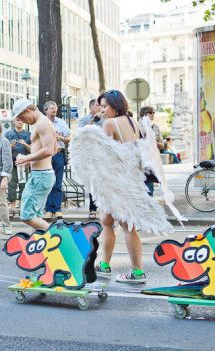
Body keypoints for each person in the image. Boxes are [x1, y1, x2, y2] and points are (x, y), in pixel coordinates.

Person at [71, 90, 174, 284]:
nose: (102, 110)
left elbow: (96, 144)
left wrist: (94, 120)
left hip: (118, 182)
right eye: (100, 106)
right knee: (106, 220)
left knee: (127, 226)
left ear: (116, 105)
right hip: (131, 179)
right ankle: (104, 264)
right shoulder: (132, 122)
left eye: (105, 106)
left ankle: (137, 272)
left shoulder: (110, 123)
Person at [11, 98, 57, 231]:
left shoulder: (42, 123)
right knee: (36, 215)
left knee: (27, 215)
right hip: (41, 174)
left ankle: (58, 240)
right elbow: (52, 149)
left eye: (21, 117)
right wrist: (30, 160)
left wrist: (27, 158)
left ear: (27, 110)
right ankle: (40, 247)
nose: (22, 121)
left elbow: (49, 150)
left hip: (41, 176)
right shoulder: (42, 123)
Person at [42, 101, 70, 219]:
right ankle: (48, 209)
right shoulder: (41, 123)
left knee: (58, 183)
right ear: (46, 110)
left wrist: (60, 137)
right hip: (46, 156)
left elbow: (68, 139)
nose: (54, 110)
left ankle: (57, 209)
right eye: (51, 108)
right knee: (47, 183)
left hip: (58, 154)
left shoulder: (61, 123)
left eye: (55, 108)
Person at [77, 99, 103, 218]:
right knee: (93, 182)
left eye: (101, 106)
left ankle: (104, 208)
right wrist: (94, 120)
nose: (99, 107)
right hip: (90, 155)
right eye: (97, 105)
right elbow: (81, 133)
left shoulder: (106, 119)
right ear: (91, 106)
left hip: (103, 154)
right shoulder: (84, 119)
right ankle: (93, 209)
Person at [4, 117, 31, 218]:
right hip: (12, 163)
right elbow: (4, 149)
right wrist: (10, 146)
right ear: (14, 121)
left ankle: (22, 207)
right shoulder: (8, 134)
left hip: (24, 164)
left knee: (24, 186)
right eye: (18, 120)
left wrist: (25, 144)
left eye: (22, 120)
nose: (20, 122)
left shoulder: (28, 134)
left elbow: (32, 150)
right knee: (11, 186)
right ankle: (12, 208)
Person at [138, 107, 164, 197]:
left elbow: (162, 145)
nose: (153, 114)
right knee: (140, 188)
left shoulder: (156, 127)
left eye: (153, 112)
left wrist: (153, 142)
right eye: (150, 112)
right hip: (139, 161)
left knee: (150, 189)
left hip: (152, 162)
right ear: (143, 114)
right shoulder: (136, 126)